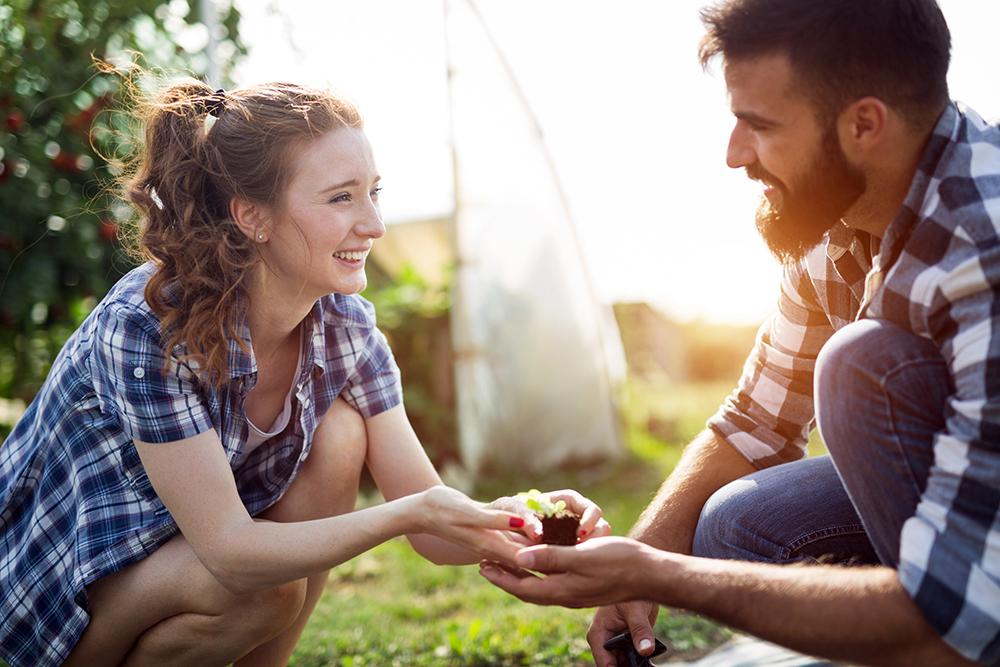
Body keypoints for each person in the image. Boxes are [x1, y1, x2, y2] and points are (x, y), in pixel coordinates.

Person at [0, 78, 609, 667]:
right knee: (266, 586)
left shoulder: (346, 328)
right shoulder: (150, 325)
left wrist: (524, 519)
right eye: (341, 197)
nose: (374, 224)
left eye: (374, 192)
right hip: (61, 592)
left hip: (189, 565)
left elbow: (435, 533)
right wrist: (409, 513)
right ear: (252, 217)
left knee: (341, 433)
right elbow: (231, 553)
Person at [481, 1, 999, 665]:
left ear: (865, 124)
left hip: (979, 584)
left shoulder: (981, 245)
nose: (734, 155)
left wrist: (660, 573)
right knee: (737, 521)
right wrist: (640, 566)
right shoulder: (837, 222)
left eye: (759, 125)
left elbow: (964, 609)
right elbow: (756, 421)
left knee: (859, 365)